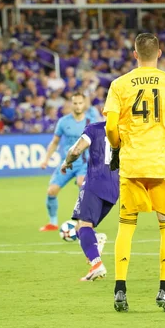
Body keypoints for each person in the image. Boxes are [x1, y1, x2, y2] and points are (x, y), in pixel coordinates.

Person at [103, 33, 165, 312]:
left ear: (134, 54)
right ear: (160, 53)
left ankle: (120, 289)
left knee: (126, 226)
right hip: (161, 166)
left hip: (132, 166)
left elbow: (109, 128)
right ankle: (164, 291)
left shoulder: (119, 84)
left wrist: (118, 145)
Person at [59, 121, 118, 282]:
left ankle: (96, 265)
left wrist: (67, 161)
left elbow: (76, 150)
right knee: (82, 226)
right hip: (115, 187)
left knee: (83, 225)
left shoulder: (95, 128)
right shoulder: (127, 129)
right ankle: (96, 240)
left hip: (95, 182)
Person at [39, 93, 97, 232]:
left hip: (85, 162)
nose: (78, 106)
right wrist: (46, 159)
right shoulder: (63, 122)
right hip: (68, 162)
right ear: (71, 104)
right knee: (51, 191)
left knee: (81, 183)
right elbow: (55, 142)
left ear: (84, 104)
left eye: (80, 103)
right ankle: (52, 223)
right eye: (75, 103)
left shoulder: (91, 121)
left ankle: (85, 223)